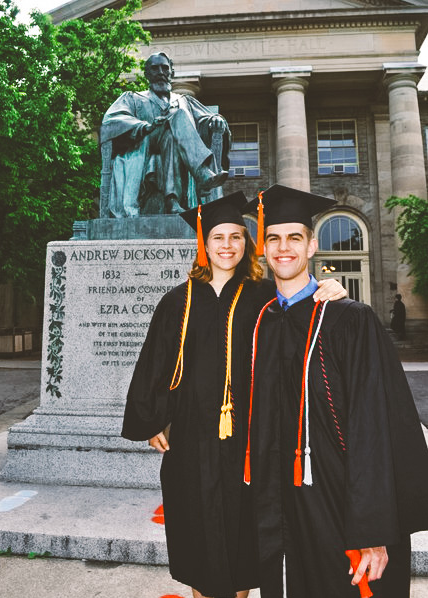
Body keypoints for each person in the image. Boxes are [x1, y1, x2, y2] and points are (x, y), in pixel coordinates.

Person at [122, 191, 346, 598]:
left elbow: (304, 317)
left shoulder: (265, 296)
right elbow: (153, 361)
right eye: (218, 237)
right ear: (203, 244)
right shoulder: (178, 301)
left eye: (236, 236)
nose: (227, 245)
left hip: (250, 440)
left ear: (248, 243)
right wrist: (153, 418)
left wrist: (331, 289)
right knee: (200, 544)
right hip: (191, 439)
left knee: (243, 546)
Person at [244, 184, 428, 598]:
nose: (283, 247)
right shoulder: (261, 322)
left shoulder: (350, 320)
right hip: (280, 503)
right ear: (264, 246)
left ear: (312, 246)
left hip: (339, 499)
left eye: (295, 237)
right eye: (273, 238)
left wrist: (374, 528)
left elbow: (376, 427)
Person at [101, 52, 230, 217]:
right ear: (147, 74)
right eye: (155, 68)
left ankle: (172, 201)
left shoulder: (184, 101)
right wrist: (144, 126)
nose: (160, 72)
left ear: (172, 73)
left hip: (174, 145)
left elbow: (205, 120)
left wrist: (217, 120)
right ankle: (202, 173)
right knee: (179, 116)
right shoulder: (133, 98)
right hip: (144, 145)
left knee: (172, 131)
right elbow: (111, 121)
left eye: (164, 68)